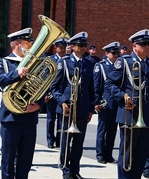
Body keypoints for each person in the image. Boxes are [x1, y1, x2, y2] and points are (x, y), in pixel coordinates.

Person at [0, 28, 43, 179]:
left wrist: (38, 104)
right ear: (16, 44)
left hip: (29, 117)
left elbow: (42, 86)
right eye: (27, 43)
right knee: (8, 159)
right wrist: (16, 73)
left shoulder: (35, 63)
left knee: (26, 160)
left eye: (30, 43)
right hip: (10, 118)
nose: (30, 46)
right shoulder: (4, 62)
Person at [105, 29, 149, 179]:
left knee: (142, 155)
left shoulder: (148, 63)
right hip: (129, 115)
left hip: (146, 116)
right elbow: (109, 84)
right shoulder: (124, 61)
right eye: (144, 44)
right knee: (127, 155)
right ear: (135, 45)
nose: (147, 47)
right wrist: (123, 96)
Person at [50, 31, 95, 179]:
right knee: (65, 142)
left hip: (82, 109)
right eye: (80, 45)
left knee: (78, 143)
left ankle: (75, 170)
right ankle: (66, 170)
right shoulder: (64, 62)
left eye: (85, 45)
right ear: (73, 47)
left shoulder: (89, 63)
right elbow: (54, 87)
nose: (83, 48)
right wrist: (62, 102)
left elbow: (91, 89)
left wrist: (90, 109)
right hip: (67, 109)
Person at [93, 42, 120, 164]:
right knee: (102, 130)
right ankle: (100, 154)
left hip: (116, 104)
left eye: (117, 53)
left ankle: (108, 154)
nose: (115, 55)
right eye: (113, 53)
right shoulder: (101, 66)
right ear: (106, 53)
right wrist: (96, 102)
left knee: (112, 131)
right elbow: (96, 86)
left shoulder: (120, 66)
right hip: (105, 103)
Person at [46, 37, 68, 148]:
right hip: (51, 94)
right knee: (50, 118)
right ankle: (50, 140)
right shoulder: (50, 60)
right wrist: (45, 94)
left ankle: (60, 140)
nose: (63, 49)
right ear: (55, 48)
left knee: (61, 119)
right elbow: (45, 78)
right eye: (60, 47)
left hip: (62, 94)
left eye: (64, 47)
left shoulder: (68, 60)